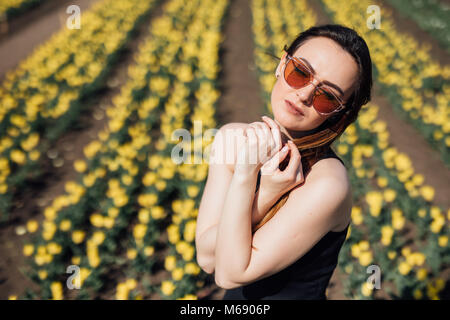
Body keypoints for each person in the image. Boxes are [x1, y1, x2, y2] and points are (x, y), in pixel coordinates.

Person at [195, 24, 372, 300]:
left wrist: (245, 175)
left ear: (340, 113)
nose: (304, 95)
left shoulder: (326, 183)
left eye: (327, 96)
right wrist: (264, 194)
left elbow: (229, 273)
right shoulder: (231, 138)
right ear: (282, 65)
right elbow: (207, 258)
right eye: (300, 72)